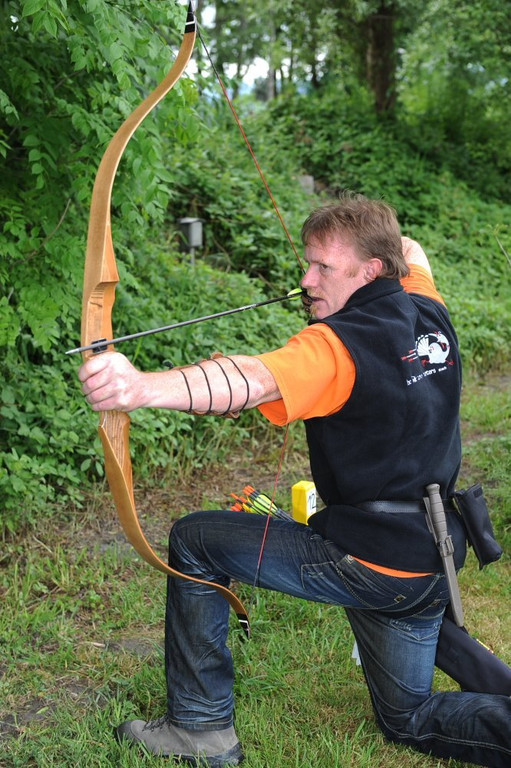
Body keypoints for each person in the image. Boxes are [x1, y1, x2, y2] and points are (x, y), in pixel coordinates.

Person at [79, 194, 510, 768]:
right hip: (433, 558)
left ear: (371, 270)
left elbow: (250, 380)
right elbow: (411, 249)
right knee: (406, 717)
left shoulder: (334, 346)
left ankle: (200, 728)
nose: (307, 280)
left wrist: (138, 388)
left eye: (323, 267)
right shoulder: (426, 307)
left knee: (195, 538)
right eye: (308, 262)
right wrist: (366, 245)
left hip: (371, 564)